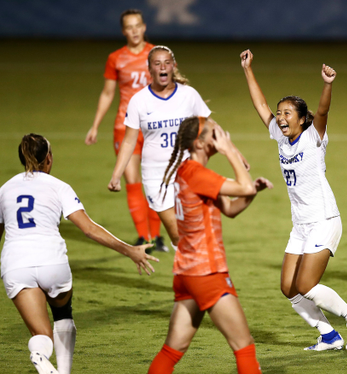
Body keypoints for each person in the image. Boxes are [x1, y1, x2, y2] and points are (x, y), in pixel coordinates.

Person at [240, 49, 347, 352]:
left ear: (301, 119)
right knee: (289, 288)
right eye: (280, 112)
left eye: (288, 113)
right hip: (300, 224)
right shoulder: (281, 136)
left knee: (306, 286)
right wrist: (248, 69)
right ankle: (328, 335)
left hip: (324, 220)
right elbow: (260, 105)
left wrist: (327, 84)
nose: (281, 117)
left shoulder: (314, 136)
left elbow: (323, 112)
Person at [0, 134, 158, 374]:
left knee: (41, 334)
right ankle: (63, 372)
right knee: (62, 313)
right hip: (51, 261)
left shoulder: (4, 190)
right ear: (49, 159)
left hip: (16, 265)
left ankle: (39, 355)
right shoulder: (59, 187)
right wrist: (129, 250)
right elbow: (89, 229)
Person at [147, 116, 271, 373]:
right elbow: (244, 186)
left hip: (187, 273)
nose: (220, 137)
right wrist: (230, 151)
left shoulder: (187, 171)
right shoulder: (197, 173)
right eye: (214, 134)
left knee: (172, 350)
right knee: (244, 345)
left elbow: (231, 208)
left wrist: (252, 193)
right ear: (199, 143)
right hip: (208, 273)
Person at [108, 45, 212, 250]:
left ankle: (193, 276)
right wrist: (116, 175)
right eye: (157, 63)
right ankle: (189, 270)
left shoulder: (188, 94)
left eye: (167, 62)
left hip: (186, 170)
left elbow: (209, 126)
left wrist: (232, 153)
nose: (162, 67)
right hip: (156, 175)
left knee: (192, 230)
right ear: (150, 68)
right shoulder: (139, 100)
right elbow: (129, 141)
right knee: (176, 234)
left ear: (174, 66)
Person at [85, 9, 167, 252]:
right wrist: (95, 125)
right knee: (132, 182)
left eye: (137, 25)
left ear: (143, 27)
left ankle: (158, 237)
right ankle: (145, 238)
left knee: (155, 182)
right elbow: (108, 93)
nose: (134, 30)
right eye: (129, 27)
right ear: (124, 31)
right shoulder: (115, 58)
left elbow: (169, 89)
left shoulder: (156, 55)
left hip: (154, 129)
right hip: (125, 127)